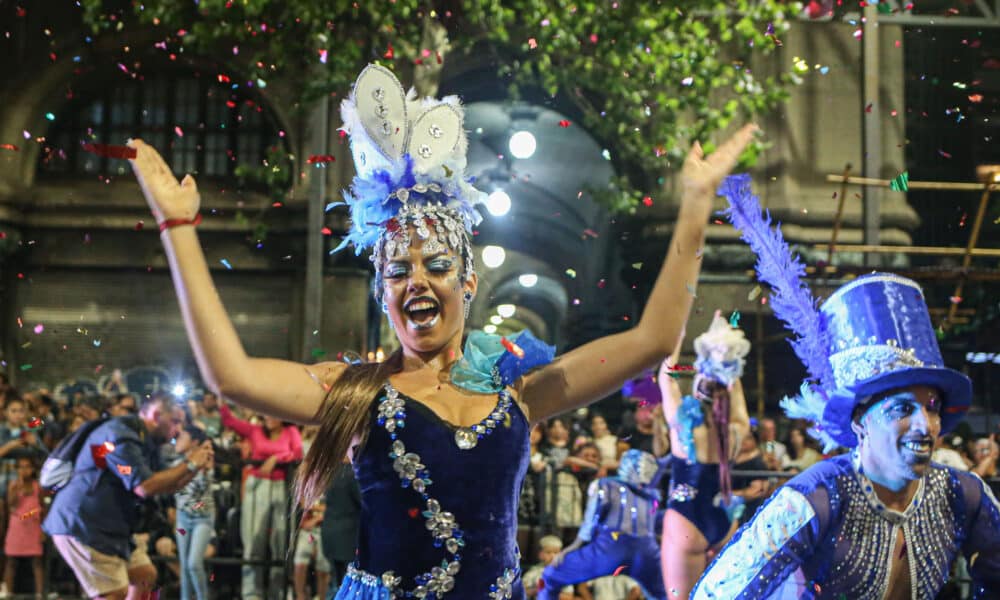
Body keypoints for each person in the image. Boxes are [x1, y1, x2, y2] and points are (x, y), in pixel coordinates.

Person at [126, 61, 757, 598]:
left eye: (438, 264)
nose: (417, 280)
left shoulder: (521, 388)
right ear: (383, 292)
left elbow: (651, 341)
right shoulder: (358, 393)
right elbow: (229, 375)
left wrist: (697, 204)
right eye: (398, 270)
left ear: (468, 282)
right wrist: (178, 228)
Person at [693, 175, 1000, 598]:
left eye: (931, 406)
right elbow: (720, 591)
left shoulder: (961, 493)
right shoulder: (816, 494)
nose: (925, 424)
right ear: (859, 421)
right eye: (901, 408)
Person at [43, 395, 214, 600]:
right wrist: (190, 464)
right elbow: (144, 487)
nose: (178, 430)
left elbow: (168, 485)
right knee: (113, 593)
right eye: (175, 421)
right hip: (84, 523)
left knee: (144, 576)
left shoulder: (147, 442)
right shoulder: (119, 435)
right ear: (156, 415)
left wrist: (196, 466)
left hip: (109, 525)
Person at [658, 312, 751, 598]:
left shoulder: (681, 423)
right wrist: (727, 349)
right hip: (723, 520)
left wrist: (679, 334)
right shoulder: (737, 429)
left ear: (698, 388)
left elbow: (666, 376)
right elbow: (733, 385)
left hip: (687, 521)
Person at [539, 450, 666, 600]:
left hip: (610, 547)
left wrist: (575, 545)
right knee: (665, 594)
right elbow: (657, 525)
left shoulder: (606, 484)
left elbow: (592, 518)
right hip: (647, 551)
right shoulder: (652, 497)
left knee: (551, 575)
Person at [219, 404, 302, 600]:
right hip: (258, 488)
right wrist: (221, 400)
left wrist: (277, 458)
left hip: (281, 486)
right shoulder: (255, 431)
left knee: (280, 542)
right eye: (266, 414)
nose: (268, 417)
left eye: (273, 413)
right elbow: (230, 422)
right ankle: (251, 593)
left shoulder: (291, 431)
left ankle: (277, 591)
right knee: (253, 540)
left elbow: (298, 453)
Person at [172, 426, 216, 600]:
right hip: (182, 518)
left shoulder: (206, 460)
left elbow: (203, 488)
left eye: (183, 436)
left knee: (193, 564)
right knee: (184, 565)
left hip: (202, 519)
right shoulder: (177, 462)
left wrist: (204, 468)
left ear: (194, 442)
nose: (178, 439)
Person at [4, 457, 44, 598]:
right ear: (17, 470)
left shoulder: (37, 486)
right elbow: (11, 504)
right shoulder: (13, 485)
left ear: (32, 469)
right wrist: (17, 487)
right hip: (17, 527)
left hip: (33, 526)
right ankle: (8, 592)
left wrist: (43, 529)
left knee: (37, 562)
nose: (24, 470)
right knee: (11, 561)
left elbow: (42, 507)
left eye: (27, 467)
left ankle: (39, 593)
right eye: (21, 467)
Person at [294, 499, 331, 600]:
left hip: (325, 529)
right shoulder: (308, 483)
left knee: (323, 568)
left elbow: (335, 506)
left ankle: (322, 597)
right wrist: (321, 514)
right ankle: (300, 596)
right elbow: (303, 504)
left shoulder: (331, 484)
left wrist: (319, 513)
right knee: (300, 562)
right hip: (309, 531)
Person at [520, 536, 573, 600]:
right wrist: (537, 590)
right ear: (540, 554)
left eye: (556, 552)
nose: (552, 556)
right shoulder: (534, 571)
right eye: (548, 552)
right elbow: (522, 591)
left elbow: (569, 597)